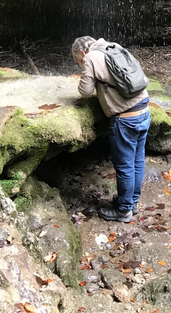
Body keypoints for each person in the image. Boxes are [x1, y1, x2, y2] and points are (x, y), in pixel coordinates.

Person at [72, 36, 150, 222]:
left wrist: (85, 69)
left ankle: (123, 211)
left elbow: (84, 91)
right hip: (144, 110)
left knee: (124, 167)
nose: (80, 64)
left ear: (82, 53)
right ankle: (132, 202)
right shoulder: (112, 47)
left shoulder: (90, 58)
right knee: (137, 161)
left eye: (77, 61)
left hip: (125, 119)